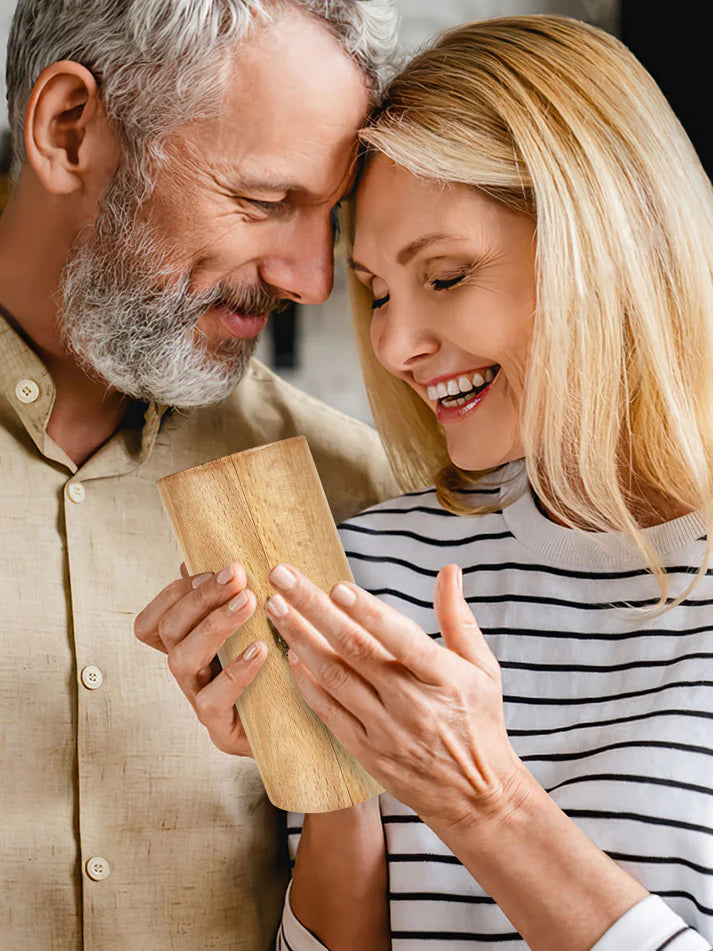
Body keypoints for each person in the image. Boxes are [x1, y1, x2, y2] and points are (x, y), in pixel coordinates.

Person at [141, 14, 713, 951]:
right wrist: (335, 773)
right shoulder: (373, 560)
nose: (395, 345)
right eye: (377, 291)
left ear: (607, 246)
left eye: (444, 276)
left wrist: (483, 801)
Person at [0, 1, 401, 949]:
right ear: (68, 130)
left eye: (329, 214)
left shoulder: (356, 495)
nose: (313, 279)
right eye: (268, 202)